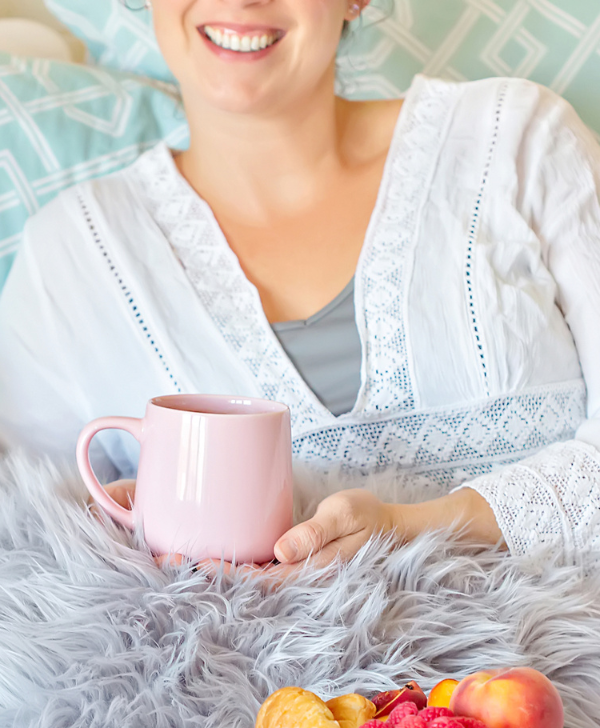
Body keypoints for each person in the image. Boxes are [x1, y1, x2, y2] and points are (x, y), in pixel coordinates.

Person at [0, 0, 599, 572]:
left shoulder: (521, 139)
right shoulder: (69, 256)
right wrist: (117, 541)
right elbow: (30, 553)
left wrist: (425, 526)